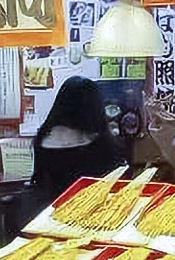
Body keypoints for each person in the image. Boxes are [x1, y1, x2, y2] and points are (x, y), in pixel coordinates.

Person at [31, 76, 122, 211]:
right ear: (94, 107)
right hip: (88, 214)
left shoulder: (42, 137)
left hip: (47, 212)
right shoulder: (100, 143)